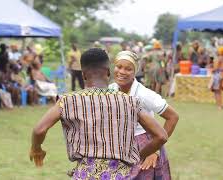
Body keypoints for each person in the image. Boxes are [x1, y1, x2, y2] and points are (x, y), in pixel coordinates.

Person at [29, 48, 168, 179]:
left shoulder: (67, 101)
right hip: (121, 175)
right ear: (108, 72)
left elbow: (39, 129)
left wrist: (36, 149)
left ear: (83, 74)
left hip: (85, 174)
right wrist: (138, 156)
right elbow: (161, 136)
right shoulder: (130, 102)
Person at [109, 51, 179, 180]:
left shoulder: (144, 94)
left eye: (128, 69)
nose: (122, 72)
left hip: (145, 147)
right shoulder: (111, 89)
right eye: (119, 67)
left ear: (135, 72)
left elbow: (173, 117)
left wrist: (154, 150)